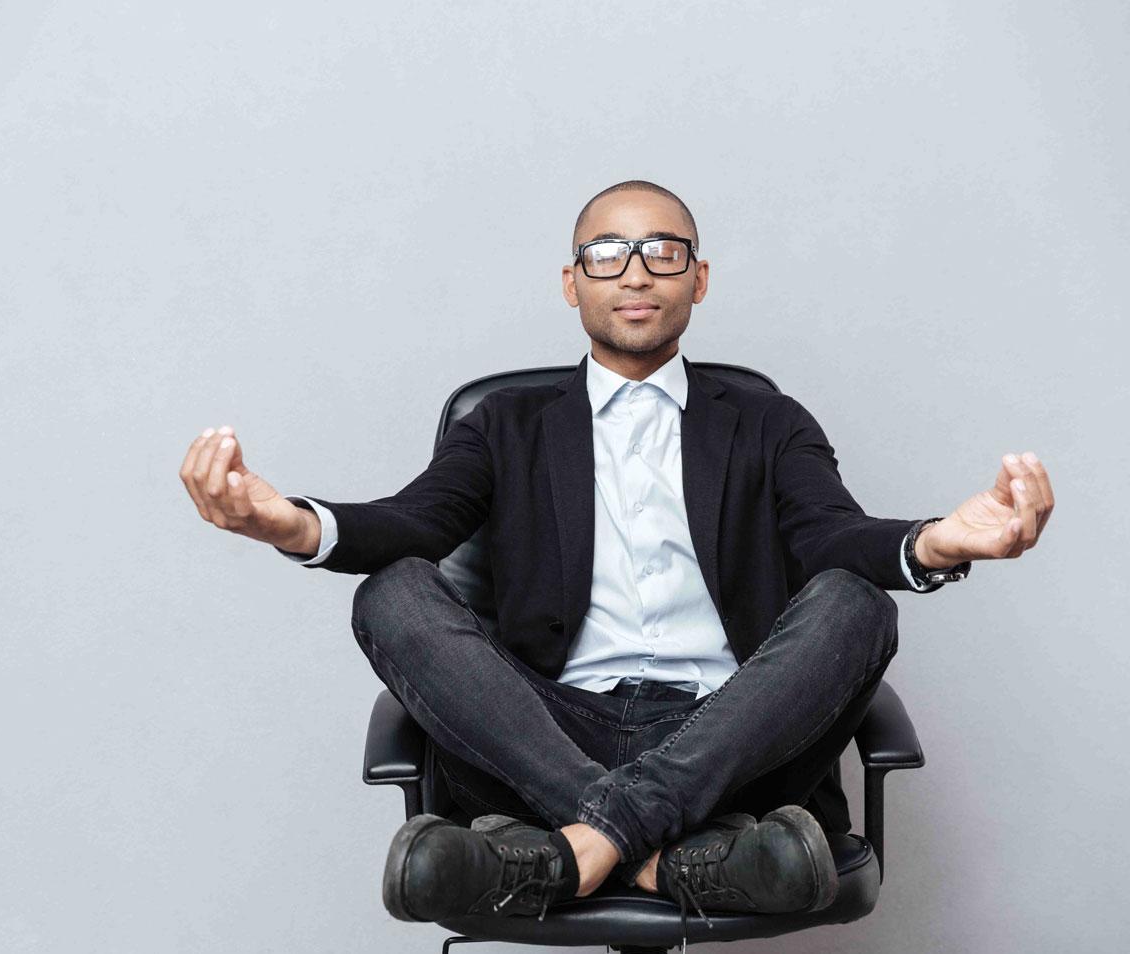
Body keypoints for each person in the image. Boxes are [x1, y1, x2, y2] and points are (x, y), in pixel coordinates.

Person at [176, 179, 1055, 927]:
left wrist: (937, 540)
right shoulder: (507, 425)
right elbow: (413, 524)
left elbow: (831, 536)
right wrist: (291, 524)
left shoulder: (768, 421)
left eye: (662, 251)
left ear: (699, 278)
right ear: (571, 283)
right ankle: (669, 860)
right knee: (392, 592)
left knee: (858, 603)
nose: (635, 273)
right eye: (607, 253)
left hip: (728, 733)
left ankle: (563, 855)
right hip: (552, 729)